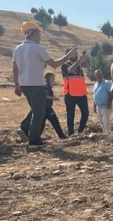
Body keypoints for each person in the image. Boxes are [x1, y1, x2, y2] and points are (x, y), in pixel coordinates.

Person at [13, 21, 74, 150]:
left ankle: (24, 128)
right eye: (39, 33)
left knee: (36, 108)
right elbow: (54, 64)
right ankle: (34, 141)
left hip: (25, 85)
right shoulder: (37, 48)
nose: (40, 36)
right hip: (36, 84)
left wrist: (17, 84)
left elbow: (15, 68)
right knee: (39, 113)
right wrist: (68, 55)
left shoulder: (18, 49)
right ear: (33, 33)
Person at [61, 47, 89, 136]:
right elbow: (70, 70)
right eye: (74, 54)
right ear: (68, 55)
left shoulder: (79, 67)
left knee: (85, 113)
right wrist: (79, 61)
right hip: (70, 94)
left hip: (82, 94)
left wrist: (80, 60)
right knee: (70, 115)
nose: (76, 55)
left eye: (77, 54)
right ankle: (71, 134)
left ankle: (80, 131)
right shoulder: (64, 65)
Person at [42, 72, 67, 139]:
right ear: (48, 78)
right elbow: (45, 96)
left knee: (42, 124)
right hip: (47, 108)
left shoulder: (48, 86)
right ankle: (62, 137)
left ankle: (35, 137)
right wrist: (54, 98)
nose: (54, 79)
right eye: (52, 77)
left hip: (45, 108)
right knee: (55, 122)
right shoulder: (46, 86)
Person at [92, 69, 113, 134]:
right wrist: (94, 106)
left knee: (105, 121)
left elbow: (111, 93)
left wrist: (109, 103)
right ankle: (104, 133)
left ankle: (108, 134)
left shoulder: (107, 83)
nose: (99, 76)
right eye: (97, 75)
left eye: (100, 74)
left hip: (105, 105)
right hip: (98, 106)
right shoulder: (95, 85)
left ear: (102, 75)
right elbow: (94, 95)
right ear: (95, 76)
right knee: (101, 121)